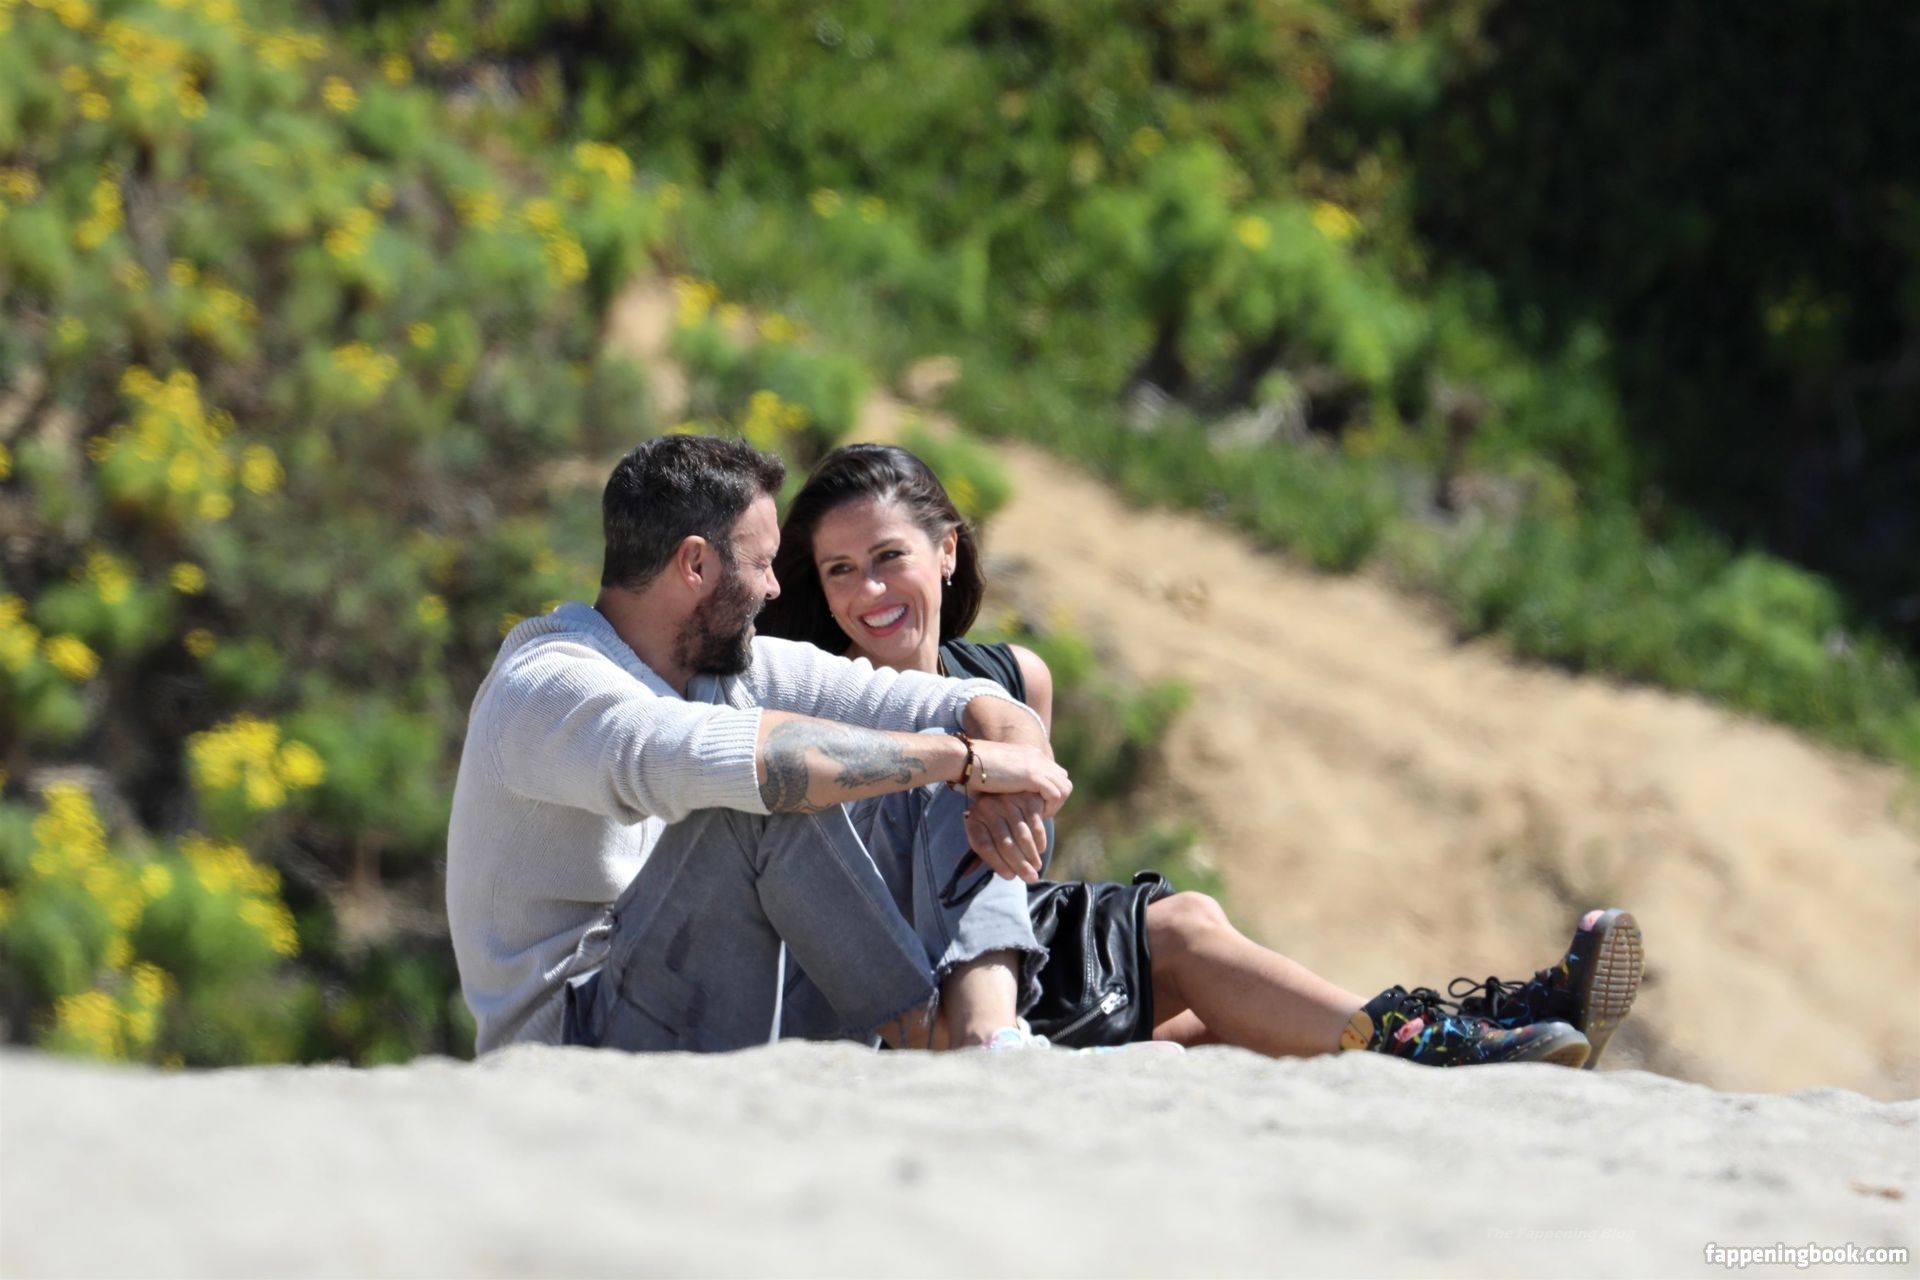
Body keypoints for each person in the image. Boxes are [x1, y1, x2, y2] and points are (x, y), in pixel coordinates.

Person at [758, 443, 1644, 1067]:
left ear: (948, 551)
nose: (869, 591)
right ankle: (1452, 1038)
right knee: (1192, 948)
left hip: (1012, 944)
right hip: (912, 978)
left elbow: (1019, 868)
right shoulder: (814, 701)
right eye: (840, 570)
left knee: (1214, 975)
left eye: (889, 557)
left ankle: (1479, 1031)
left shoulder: (1016, 678)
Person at [446, 434, 1073, 1056]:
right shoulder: (548, 685)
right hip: (580, 1041)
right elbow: (756, 762)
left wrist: (997, 758)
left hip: (717, 998)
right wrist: (961, 761)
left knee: (929, 750)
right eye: (761, 563)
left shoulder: (726, 669)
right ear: (696, 565)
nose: (775, 588)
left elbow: (957, 700)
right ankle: (928, 1036)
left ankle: (988, 1037)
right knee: (772, 796)